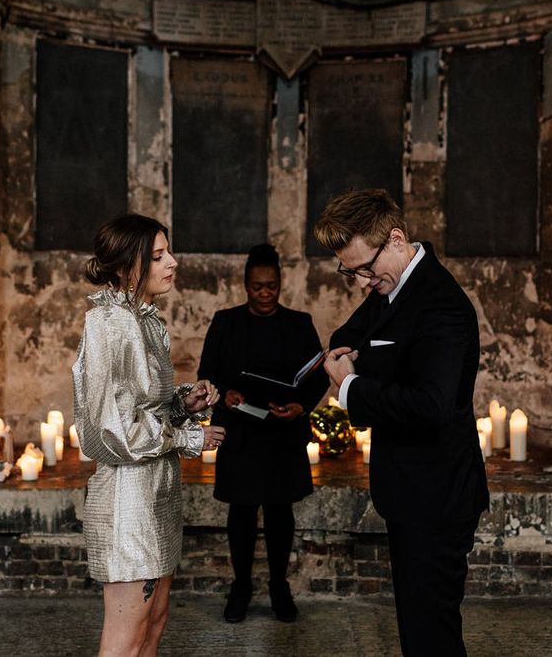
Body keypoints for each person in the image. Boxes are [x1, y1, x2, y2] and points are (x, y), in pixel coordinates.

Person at [314, 189, 489, 657]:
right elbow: (348, 335)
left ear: (395, 238)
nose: (360, 283)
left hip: (438, 495)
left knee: (433, 634)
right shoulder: (391, 286)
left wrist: (350, 389)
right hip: (409, 490)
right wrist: (347, 355)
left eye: (364, 268)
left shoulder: (441, 305)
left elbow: (432, 405)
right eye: (349, 272)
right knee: (416, 628)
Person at [72, 213, 225, 657]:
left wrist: (184, 402)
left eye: (168, 252)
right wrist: (189, 439)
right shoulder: (109, 323)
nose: (172, 262)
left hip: (155, 492)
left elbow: (139, 403)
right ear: (125, 267)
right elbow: (109, 427)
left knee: (154, 624)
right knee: (127, 638)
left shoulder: (143, 319)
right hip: (127, 499)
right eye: (157, 256)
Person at [197, 244, 328, 624]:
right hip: (240, 430)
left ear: (280, 284)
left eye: (272, 286)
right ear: (245, 285)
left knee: (279, 510)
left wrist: (300, 406)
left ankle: (278, 585)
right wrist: (226, 393)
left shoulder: (299, 323)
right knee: (241, 510)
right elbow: (208, 373)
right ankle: (240, 585)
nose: (266, 294)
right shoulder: (225, 322)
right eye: (258, 287)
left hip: (282, 432)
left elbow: (316, 376)